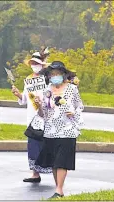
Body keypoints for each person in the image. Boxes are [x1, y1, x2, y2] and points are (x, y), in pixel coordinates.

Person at [34, 61, 84, 199]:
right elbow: (42, 114)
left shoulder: (72, 89)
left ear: (63, 74)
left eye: (57, 73)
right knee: (54, 162)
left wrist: (73, 112)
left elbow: (80, 106)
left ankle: (59, 189)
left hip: (67, 130)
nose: (55, 76)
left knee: (62, 161)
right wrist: (38, 105)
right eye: (52, 74)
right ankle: (58, 189)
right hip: (50, 130)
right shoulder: (47, 90)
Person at [11, 51, 52, 183]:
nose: (35, 65)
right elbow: (24, 99)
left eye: (37, 63)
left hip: (45, 114)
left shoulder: (47, 78)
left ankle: (52, 170)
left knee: (46, 143)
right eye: (33, 63)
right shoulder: (28, 80)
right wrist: (18, 94)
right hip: (32, 116)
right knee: (33, 144)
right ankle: (35, 173)